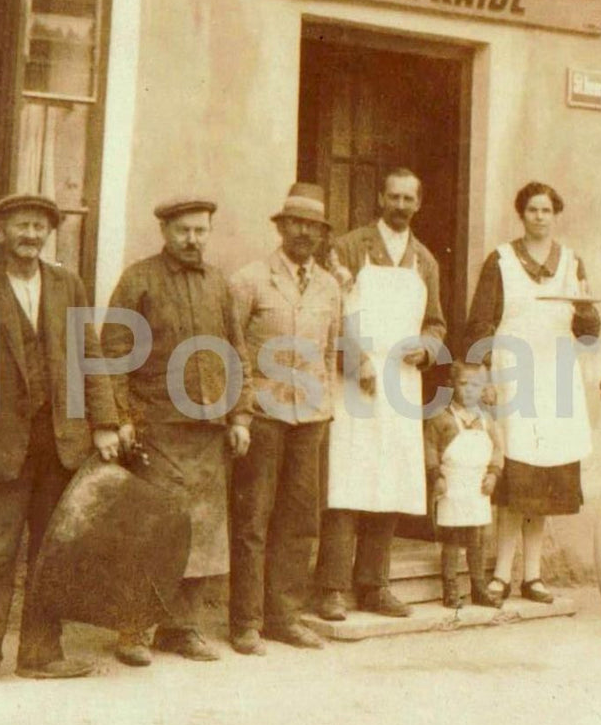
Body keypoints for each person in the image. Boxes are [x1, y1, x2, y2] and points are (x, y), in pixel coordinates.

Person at [0, 193, 121, 686]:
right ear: (1, 233)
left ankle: (41, 652)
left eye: (39, 227)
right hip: (1, 443)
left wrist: (103, 422)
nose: (31, 235)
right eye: (21, 226)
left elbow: (92, 355)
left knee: (53, 551)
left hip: (62, 441)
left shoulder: (69, 286)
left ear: (48, 235)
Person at [102, 196, 253, 664]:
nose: (193, 240)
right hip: (157, 428)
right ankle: (133, 630)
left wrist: (242, 416)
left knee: (202, 530)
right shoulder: (138, 280)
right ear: (165, 231)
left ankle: (181, 627)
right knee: (155, 529)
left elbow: (239, 354)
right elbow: (114, 354)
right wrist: (122, 417)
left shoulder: (220, 285)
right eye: (183, 230)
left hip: (208, 430)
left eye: (201, 231)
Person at [315, 167, 447, 620]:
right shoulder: (351, 248)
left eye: (409, 199)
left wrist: (427, 348)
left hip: (401, 384)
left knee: (390, 480)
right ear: (380, 198)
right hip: (354, 382)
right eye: (394, 197)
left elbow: (436, 322)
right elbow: (329, 311)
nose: (401, 206)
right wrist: (355, 360)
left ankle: (374, 585)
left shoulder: (425, 260)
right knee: (347, 480)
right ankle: (332, 586)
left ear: (419, 204)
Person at [466, 181, 600, 607]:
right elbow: (481, 324)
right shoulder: (501, 262)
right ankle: (501, 574)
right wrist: (481, 374)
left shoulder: (572, 262)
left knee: (542, 481)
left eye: (546, 210)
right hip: (513, 374)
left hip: (556, 378)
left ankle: (533, 575)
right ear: (521, 215)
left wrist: (585, 311)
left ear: (555, 214)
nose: (540, 217)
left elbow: (589, 332)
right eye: (532, 210)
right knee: (514, 477)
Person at [227, 183, 342, 654]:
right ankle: (246, 621)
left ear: (320, 234)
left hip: (310, 416)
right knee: (254, 518)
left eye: (313, 226)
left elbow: (329, 350)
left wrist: (326, 406)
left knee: (300, 519)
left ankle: (284, 615)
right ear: (280, 227)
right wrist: (240, 412)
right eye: (295, 223)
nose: (304, 233)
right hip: (263, 415)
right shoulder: (250, 280)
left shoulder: (330, 286)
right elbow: (231, 351)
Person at [424, 362, 503, 608]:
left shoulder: (487, 421)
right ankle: (450, 588)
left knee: (477, 539)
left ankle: (478, 587)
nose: (469, 390)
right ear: (451, 385)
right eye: (464, 384)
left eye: (476, 385)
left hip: (477, 488)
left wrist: (493, 475)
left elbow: (498, 450)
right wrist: (436, 476)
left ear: (484, 389)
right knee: (452, 539)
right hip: (452, 488)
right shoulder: (440, 419)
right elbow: (429, 449)